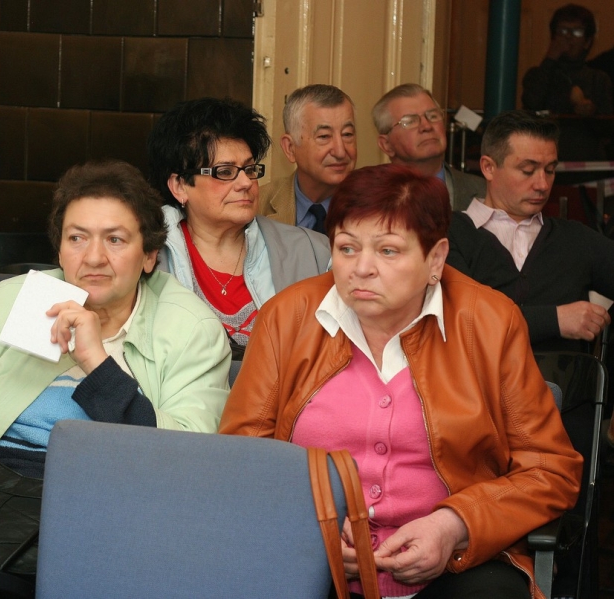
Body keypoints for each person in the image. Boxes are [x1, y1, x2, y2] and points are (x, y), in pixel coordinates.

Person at [220, 163, 581, 598]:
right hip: (309, 559)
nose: (361, 268)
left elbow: (549, 469)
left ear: (436, 258)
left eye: (388, 251)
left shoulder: (489, 322)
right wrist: (312, 529)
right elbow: (242, 460)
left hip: (456, 568)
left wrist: (454, 525)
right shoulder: (287, 318)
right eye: (347, 248)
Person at [0, 160, 230, 478]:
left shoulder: (191, 329)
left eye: (115, 239)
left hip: (109, 492)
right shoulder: (3, 303)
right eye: (76, 238)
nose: (94, 258)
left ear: (149, 255)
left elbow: (186, 460)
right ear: (59, 252)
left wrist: (97, 364)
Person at [147, 97, 331, 356]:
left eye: (249, 169)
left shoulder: (313, 253)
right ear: (180, 186)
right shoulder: (148, 259)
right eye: (225, 172)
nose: (245, 183)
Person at [446, 110, 614, 353]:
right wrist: (555, 320)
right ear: (488, 167)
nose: (542, 184)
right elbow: (460, 320)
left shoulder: (576, 239)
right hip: (474, 377)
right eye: (528, 170)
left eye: (550, 170)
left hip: (565, 378)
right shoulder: (449, 234)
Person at [258, 84, 357, 232]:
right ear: (290, 148)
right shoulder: (257, 207)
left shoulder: (378, 205)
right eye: (324, 136)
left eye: (347, 134)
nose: (340, 152)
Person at [372, 83, 486, 210]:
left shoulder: (484, 192)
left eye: (433, 116)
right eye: (410, 121)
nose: (427, 126)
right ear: (386, 145)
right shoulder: (368, 198)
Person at [522, 4, 613, 161]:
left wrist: (593, 113)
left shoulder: (598, 79)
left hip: (588, 162)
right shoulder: (537, 74)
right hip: (543, 160)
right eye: (562, 31)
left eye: (577, 32)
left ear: (587, 41)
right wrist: (550, 58)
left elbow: (609, 129)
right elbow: (531, 102)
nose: (568, 37)